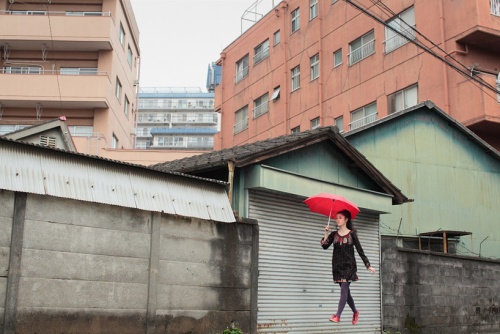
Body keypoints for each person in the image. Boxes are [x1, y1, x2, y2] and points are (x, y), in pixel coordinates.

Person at [320, 209, 376, 325]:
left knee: (344, 290)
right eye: (337, 217)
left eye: (340, 217)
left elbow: (360, 250)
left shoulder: (352, 234)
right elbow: (325, 246)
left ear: (346, 220)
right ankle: (355, 311)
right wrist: (326, 233)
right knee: (346, 293)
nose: (337, 219)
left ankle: (338, 315)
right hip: (337, 267)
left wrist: (368, 265)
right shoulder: (333, 235)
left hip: (349, 267)